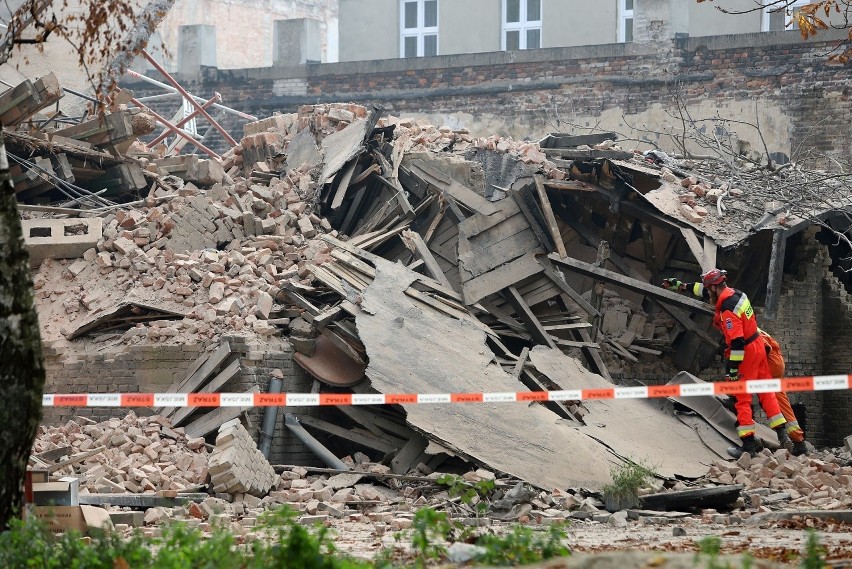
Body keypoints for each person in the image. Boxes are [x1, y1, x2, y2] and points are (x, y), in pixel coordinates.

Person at [662, 269, 787, 458]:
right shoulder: (737, 294)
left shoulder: (728, 309)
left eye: (708, 288)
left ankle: (748, 446)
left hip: (745, 351)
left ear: (714, 287)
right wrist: (682, 286)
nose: (707, 292)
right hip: (758, 346)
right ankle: (782, 434)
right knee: (766, 392)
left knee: (742, 398)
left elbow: (737, 343)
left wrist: (733, 370)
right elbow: (703, 291)